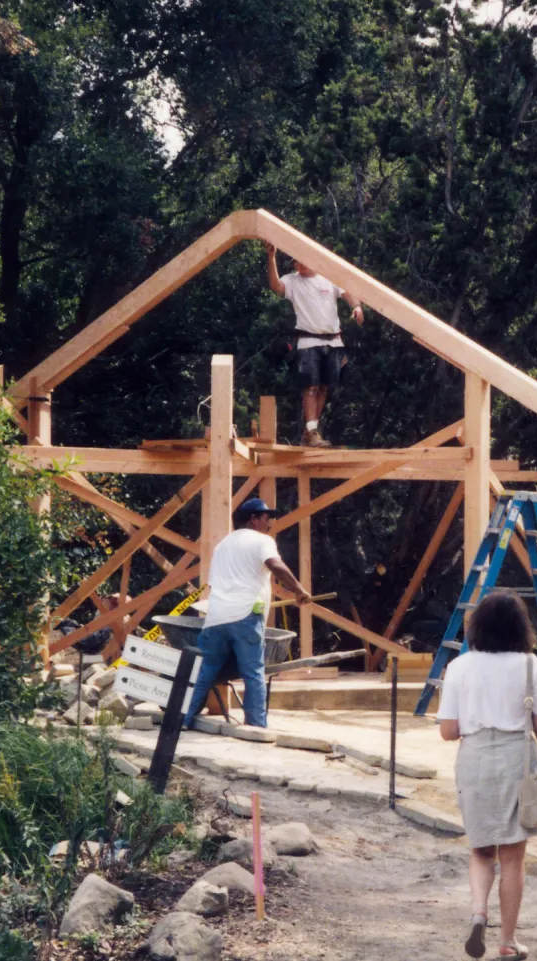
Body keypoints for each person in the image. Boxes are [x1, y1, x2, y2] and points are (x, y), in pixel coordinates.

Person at [437, 590, 537, 960]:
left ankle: (478, 911)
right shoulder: (528, 664)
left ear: (477, 627)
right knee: (514, 856)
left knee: (481, 849)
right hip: (515, 759)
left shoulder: (459, 667)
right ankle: (506, 940)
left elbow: (448, 730)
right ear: (521, 628)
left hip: (474, 758)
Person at [183, 498, 310, 730]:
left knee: (205, 672)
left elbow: (215, 584)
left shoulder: (222, 546)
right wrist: (299, 590)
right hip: (245, 616)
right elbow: (276, 566)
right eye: (265, 518)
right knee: (253, 673)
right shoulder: (262, 540)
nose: (269, 523)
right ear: (253, 519)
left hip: (215, 618)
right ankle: (256, 727)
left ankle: (183, 719)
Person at [265, 242, 364, 448]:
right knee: (310, 386)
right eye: (296, 261)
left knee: (323, 387)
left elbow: (347, 292)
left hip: (333, 341)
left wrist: (356, 307)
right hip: (308, 340)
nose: (299, 264)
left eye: (303, 260)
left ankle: (311, 432)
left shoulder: (329, 277)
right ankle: (311, 431)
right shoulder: (292, 281)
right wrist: (272, 255)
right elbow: (275, 285)